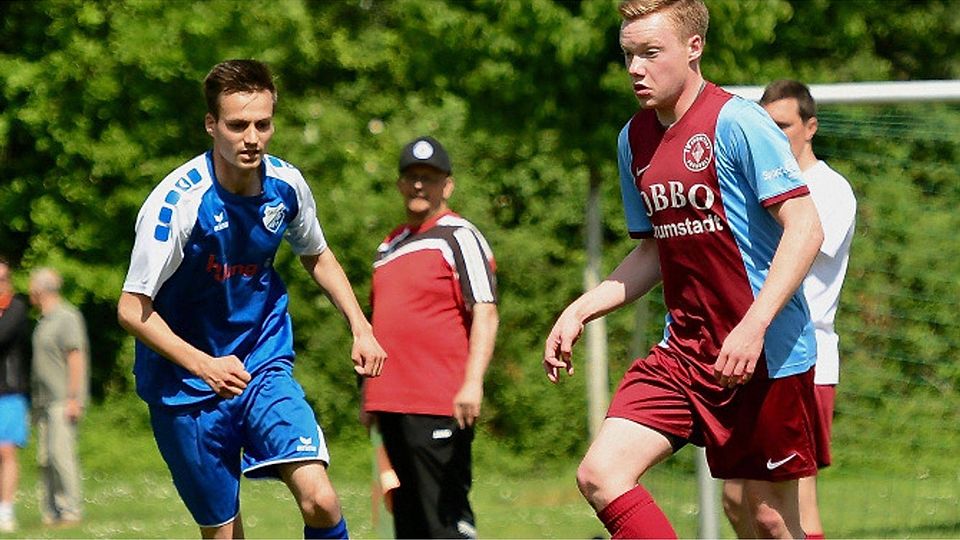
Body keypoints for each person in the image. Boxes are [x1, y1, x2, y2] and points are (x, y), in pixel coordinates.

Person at [542, 1, 826, 538]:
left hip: (766, 354)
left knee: (766, 517)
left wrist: (753, 325)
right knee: (601, 474)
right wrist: (580, 310)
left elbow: (806, 227)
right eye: (628, 55)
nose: (636, 68)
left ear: (694, 48)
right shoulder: (633, 139)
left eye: (651, 53)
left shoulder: (738, 122)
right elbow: (653, 251)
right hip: (685, 354)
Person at [116, 59, 387, 539]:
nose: (252, 138)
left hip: (262, 363)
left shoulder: (286, 186)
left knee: (321, 500)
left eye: (263, 124)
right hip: (184, 387)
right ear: (211, 125)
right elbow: (132, 309)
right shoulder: (178, 204)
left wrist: (361, 327)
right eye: (238, 125)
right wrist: (205, 366)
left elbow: (317, 254)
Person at [722, 79, 857, 540]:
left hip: (804, 357)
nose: (773, 135)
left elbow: (795, 247)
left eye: (783, 125)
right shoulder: (759, 184)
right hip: (755, 357)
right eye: (767, 125)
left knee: (791, 505)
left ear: (810, 127)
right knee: (737, 498)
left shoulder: (828, 189)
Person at [362, 136, 498, 538]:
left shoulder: (459, 235)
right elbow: (377, 325)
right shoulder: (388, 246)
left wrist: (473, 383)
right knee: (407, 523)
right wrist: (368, 395)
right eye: (411, 177)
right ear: (400, 184)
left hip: (438, 401)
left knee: (445, 522)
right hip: (390, 404)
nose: (419, 185)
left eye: (429, 177)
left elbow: (486, 312)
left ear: (447, 186)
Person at [29, 267, 88, 527]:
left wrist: (74, 398)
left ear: (41, 290)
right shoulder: (43, 320)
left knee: (60, 455)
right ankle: (52, 511)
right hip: (43, 401)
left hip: (62, 399)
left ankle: (70, 510)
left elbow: (75, 358)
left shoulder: (67, 317)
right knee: (45, 458)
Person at [0, 258, 30, 532]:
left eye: (3, 278)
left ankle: (6, 510)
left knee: (6, 450)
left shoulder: (16, 307)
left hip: (9, 392)